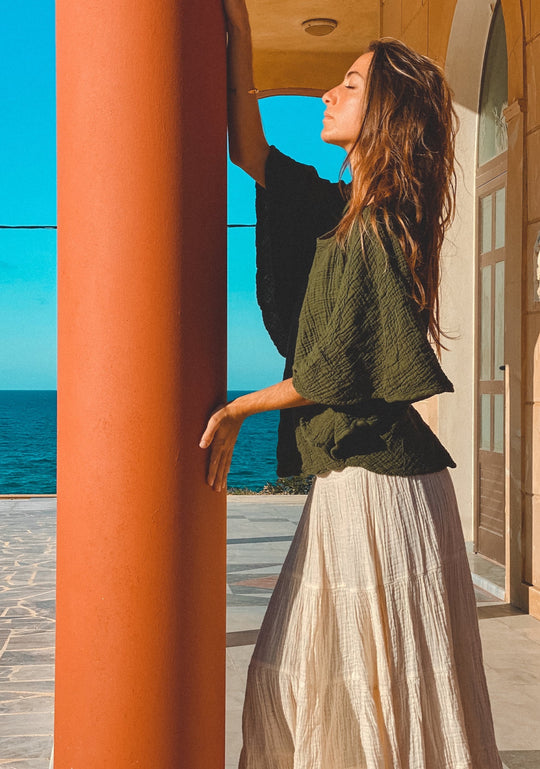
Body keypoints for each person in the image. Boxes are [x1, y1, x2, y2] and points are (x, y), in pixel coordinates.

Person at [200, 2, 504, 767]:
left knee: (359, 694)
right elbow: (251, 149)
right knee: (333, 685)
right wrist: (236, 32)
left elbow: (331, 369)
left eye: (350, 83)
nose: (331, 95)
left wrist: (238, 407)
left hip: (379, 487)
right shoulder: (345, 211)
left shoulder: (374, 225)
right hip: (363, 481)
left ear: (386, 115)